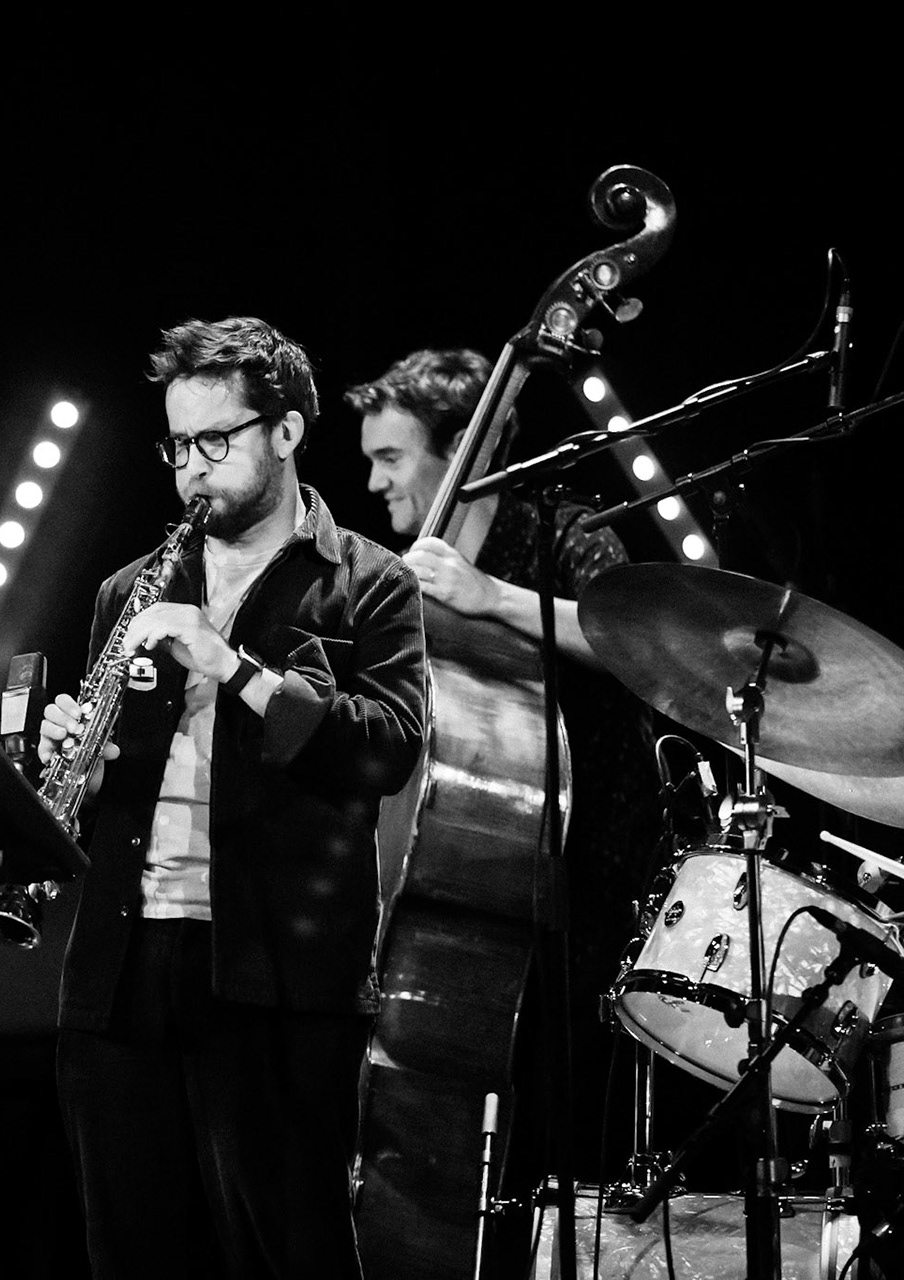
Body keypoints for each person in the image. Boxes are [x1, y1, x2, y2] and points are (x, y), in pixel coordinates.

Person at [39, 316, 428, 1279]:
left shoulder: (369, 585)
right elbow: (99, 793)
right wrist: (69, 765)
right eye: (178, 446)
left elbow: (391, 750)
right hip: (124, 964)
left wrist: (235, 668)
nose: (191, 471)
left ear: (287, 431)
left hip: (278, 977)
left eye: (216, 442)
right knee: (129, 1252)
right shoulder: (130, 588)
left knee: (289, 1250)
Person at [348, 347, 659, 1176]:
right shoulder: (399, 583)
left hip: (599, 879)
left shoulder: (567, 532)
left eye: (390, 457)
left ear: (468, 454)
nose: (375, 483)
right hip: (476, 888)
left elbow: (638, 640)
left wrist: (488, 597)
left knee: (576, 1135)